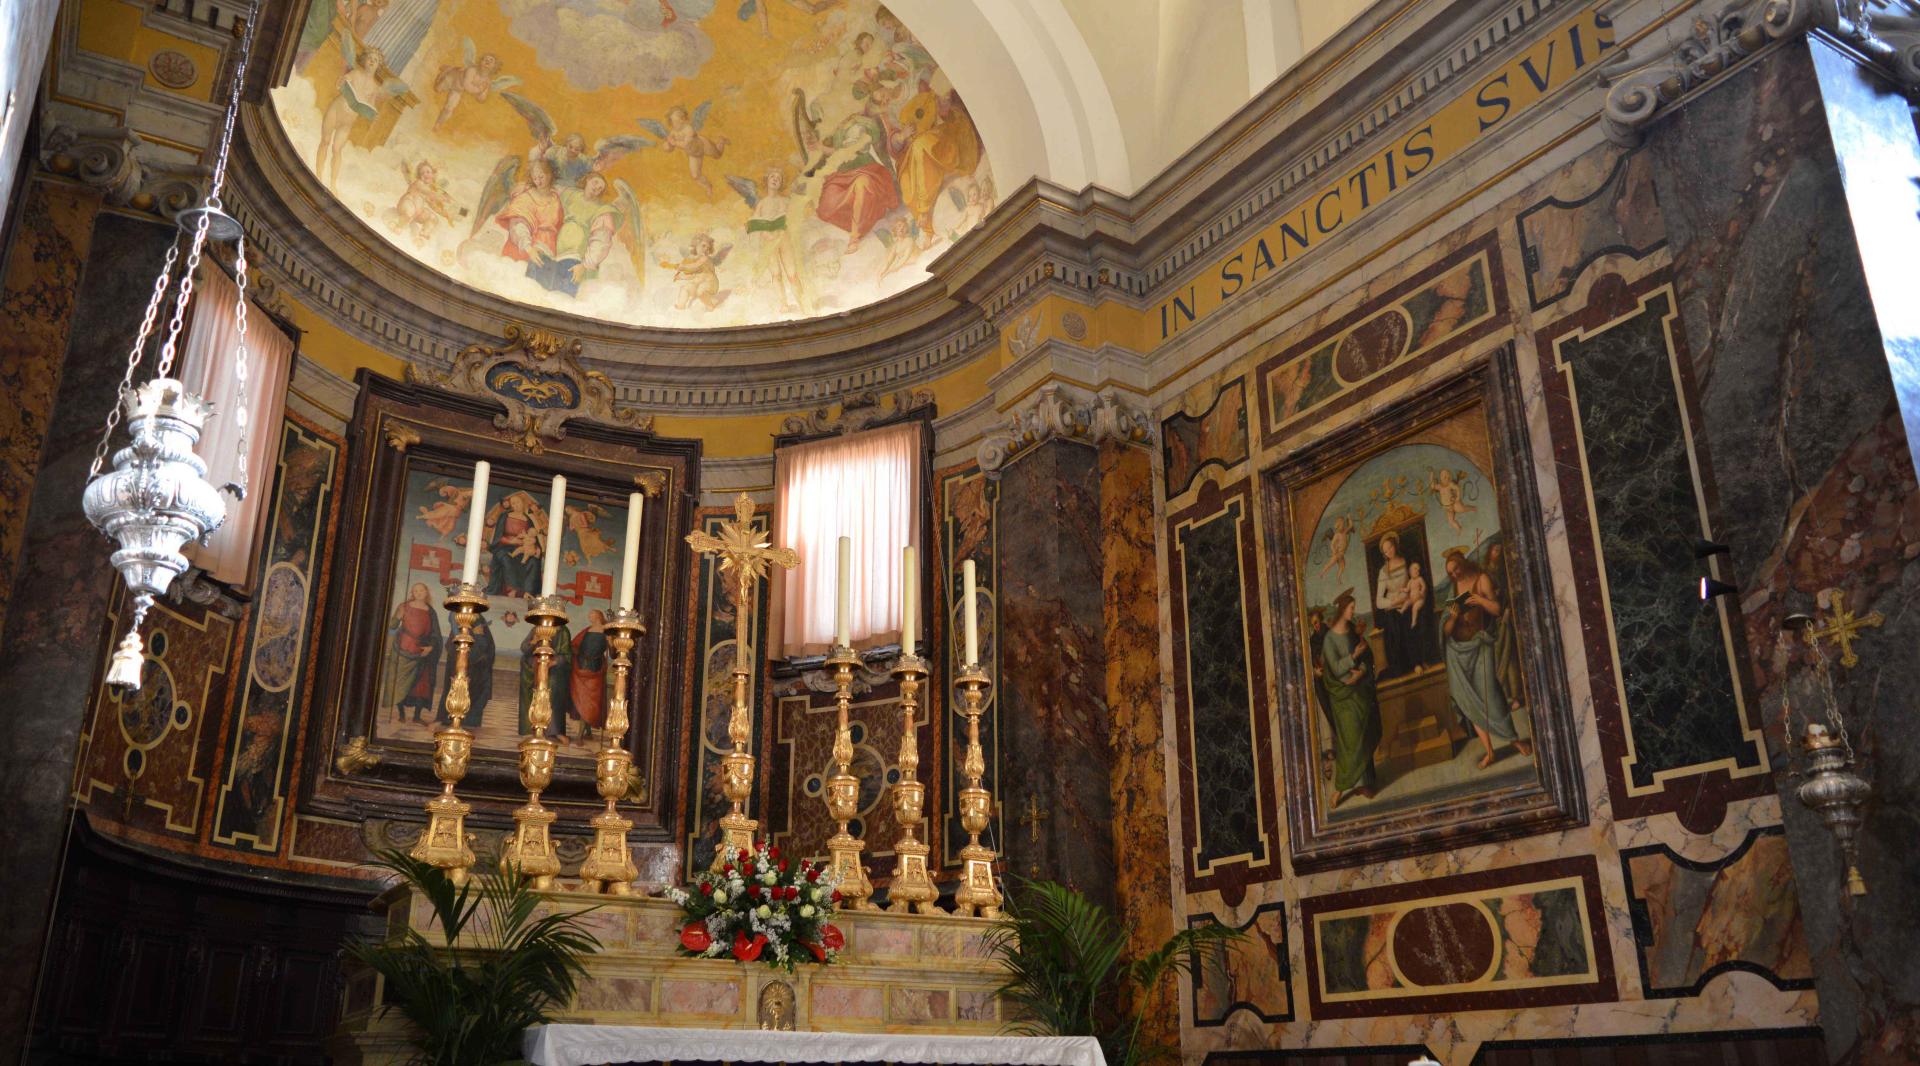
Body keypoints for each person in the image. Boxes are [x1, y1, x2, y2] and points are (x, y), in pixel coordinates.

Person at [1442, 547, 1534, 768]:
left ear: (1463, 563)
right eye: (1450, 573)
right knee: (1468, 700)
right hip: (1457, 651)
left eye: (1456, 569)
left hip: (1480, 643)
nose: (1454, 575)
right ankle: (1489, 751)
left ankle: (1514, 739)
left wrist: (1479, 600)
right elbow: (1445, 630)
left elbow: (1496, 609)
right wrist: (1453, 618)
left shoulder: (1482, 579)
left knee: (1490, 692)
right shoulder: (1453, 589)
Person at [1320, 590, 1381, 806]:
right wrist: (1353, 657)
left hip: (1358, 690)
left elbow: (1366, 657)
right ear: (1343, 609)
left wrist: (1362, 671)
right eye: (1351, 608)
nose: (1353, 612)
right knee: (1350, 740)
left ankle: (1366, 783)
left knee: (1363, 735)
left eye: (1354, 608)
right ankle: (1341, 786)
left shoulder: (1352, 633)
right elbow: (1336, 668)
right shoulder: (1329, 639)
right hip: (1342, 695)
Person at [383, 582, 442, 722]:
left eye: (421, 590)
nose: (419, 593)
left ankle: (417, 716)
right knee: (399, 683)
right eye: (415, 591)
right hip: (402, 650)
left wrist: (431, 647)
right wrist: (398, 615)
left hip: (421, 653)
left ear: (426, 592)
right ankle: (401, 714)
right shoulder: (404, 606)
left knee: (421, 685)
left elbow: (435, 634)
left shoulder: (430, 611)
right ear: (412, 593)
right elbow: (392, 626)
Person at [518, 616, 573, 739]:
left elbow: (567, 655)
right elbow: (524, 648)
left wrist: (553, 662)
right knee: (533, 695)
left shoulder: (563, 631)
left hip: (554, 670)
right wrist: (533, 642)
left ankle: (554, 731)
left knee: (551, 694)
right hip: (532, 668)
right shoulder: (537, 629)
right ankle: (532, 727)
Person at [438, 615, 496, 728]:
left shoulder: (480, 619)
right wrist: (474, 634)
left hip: (478, 667)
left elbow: (487, 644)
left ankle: (470, 722)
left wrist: (478, 638)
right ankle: (451, 719)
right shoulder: (459, 618)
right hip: (464, 666)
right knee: (457, 692)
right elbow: (455, 642)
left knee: (477, 695)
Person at [483, 492, 545, 597]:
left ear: (523, 503)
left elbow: (533, 536)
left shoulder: (528, 520)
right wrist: (511, 541)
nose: (516, 505)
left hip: (524, 547)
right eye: (513, 503)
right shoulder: (505, 516)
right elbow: (499, 537)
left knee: (534, 561)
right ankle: (512, 589)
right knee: (505, 558)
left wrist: (537, 549)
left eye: (518, 502)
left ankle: (528, 592)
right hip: (504, 546)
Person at [1371, 532, 1414, 678]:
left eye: (1390, 547)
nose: (1389, 552)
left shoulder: (1407, 562)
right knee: (1394, 625)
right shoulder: (1383, 571)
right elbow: (1378, 601)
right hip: (1392, 609)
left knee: (1410, 621)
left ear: (1395, 545)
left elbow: (1412, 584)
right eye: (1386, 551)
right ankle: (1400, 668)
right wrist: (1392, 602)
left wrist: (1404, 598)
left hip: (1408, 602)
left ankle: (1416, 663)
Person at [570, 609, 609, 741]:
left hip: (595, 669)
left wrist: (611, 640)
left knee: (589, 702)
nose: (589, 616)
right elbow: (574, 645)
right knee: (582, 700)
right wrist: (577, 654)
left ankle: (580, 735)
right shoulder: (587, 630)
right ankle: (587, 733)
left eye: (591, 614)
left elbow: (613, 652)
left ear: (598, 616)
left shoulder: (606, 630)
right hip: (581, 667)